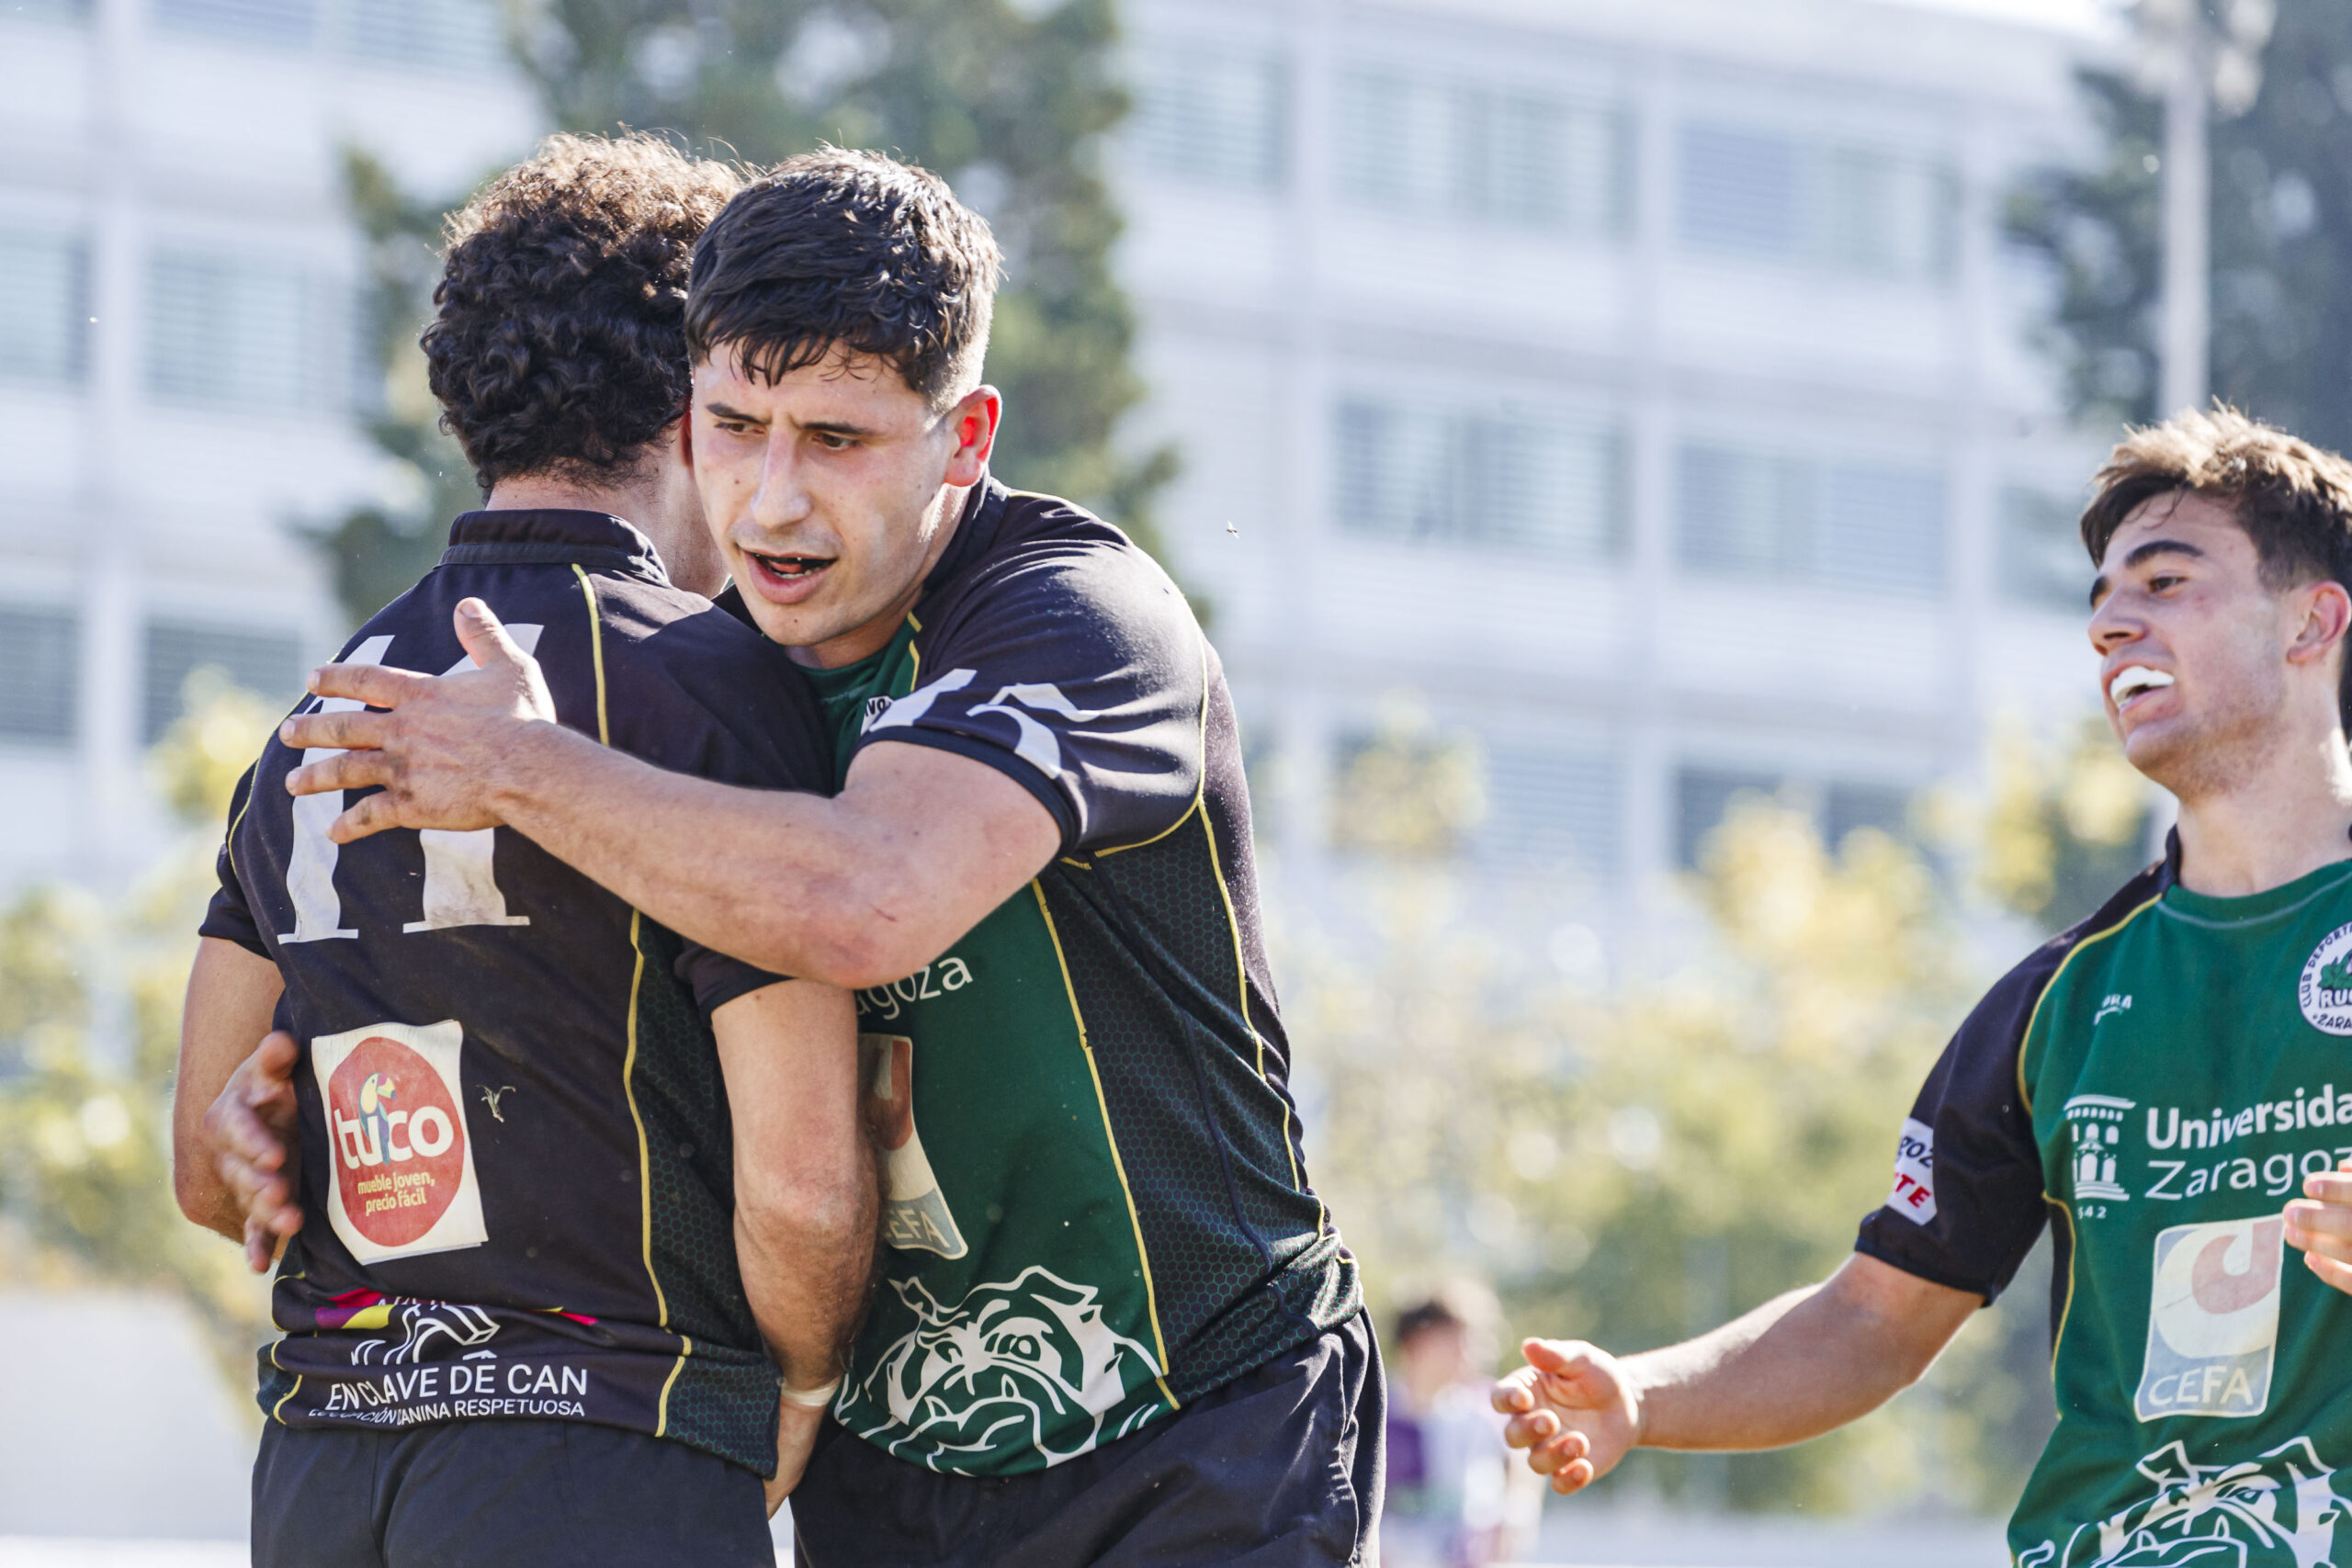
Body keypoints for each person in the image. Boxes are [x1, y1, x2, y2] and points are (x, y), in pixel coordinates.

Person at [215, 147, 1379, 1566]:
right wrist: (284, 1110)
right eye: (733, 426)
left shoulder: (1076, 618)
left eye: (836, 438)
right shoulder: (693, 686)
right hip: (885, 1474)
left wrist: (518, 766)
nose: (770, 500)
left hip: (1197, 1426)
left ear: (966, 436)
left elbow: (865, 898)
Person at [172, 135, 873, 1568]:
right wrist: (802, 1387)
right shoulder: (712, 690)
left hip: (325, 1468)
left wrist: (281, 1130)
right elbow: (802, 1186)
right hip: (603, 1457)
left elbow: (204, 1162)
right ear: (696, 402)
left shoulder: (322, 716)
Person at [1493, 407, 2352, 1564]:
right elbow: (1874, 1315)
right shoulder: (2056, 999)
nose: (2111, 625)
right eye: (2101, 598)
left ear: (2311, 621)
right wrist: (1643, 1397)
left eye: (2163, 580)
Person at [1383, 1284, 1539, 1568]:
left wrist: (1511, 1531)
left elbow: (1521, 1478)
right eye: (1459, 1339)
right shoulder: (1373, 1414)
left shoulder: (1490, 1409)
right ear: (1419, 1342)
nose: (1474, 1352)